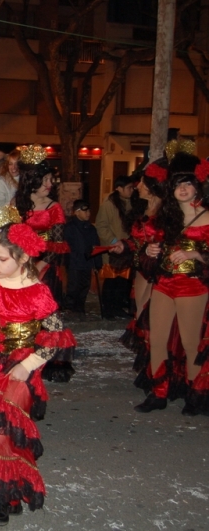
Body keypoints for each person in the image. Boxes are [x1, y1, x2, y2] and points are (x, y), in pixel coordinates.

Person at [0, 206, 76, 525]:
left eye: (2, 259)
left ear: (22, 259)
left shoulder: (38, 292)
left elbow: (57, 333)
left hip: (24, 365)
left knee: (4, 427)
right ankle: (4, 489)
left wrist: (31, 363)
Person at [133, 153, 209, 415]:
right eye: (177, 185)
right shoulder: (165, 219)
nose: (183, 188)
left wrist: (195, 254)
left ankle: (193, 395)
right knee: (157, 339)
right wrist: (152, 250)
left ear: (197, 186)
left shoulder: (208, 217)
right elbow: (149, 250)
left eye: (187, 183)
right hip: (164, 284)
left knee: (190, 343)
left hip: (192, 287)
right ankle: (159, 392)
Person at [15, 145, 72, 383]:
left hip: (46, 266)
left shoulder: (54, 207)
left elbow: (57, 245)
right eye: (45, 179)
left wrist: (39, 267)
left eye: (51, 179)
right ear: (32, 180)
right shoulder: (19, 204)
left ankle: (51, 358)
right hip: (21, 264)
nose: (50, 184)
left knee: (47, 314)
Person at [113, 161, 166, 361]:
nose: (138, 186)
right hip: (141, 269)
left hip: (158, 271)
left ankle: (157, 362)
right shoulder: (141, 209)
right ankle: (150, 360)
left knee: (151, 316)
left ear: (153, 186)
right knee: (141, 314)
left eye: (143, 182)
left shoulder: (167, 213)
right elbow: (137, 241)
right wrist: (125, 245)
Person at [95, 176, 135, 319]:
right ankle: (108, 309)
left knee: (123, 281)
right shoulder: (109, 204)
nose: (132, 190)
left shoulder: (131, 203)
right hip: (113, 249)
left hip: (127, 248)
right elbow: (101, 225)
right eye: (129, 187)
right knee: (111, 280)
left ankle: (118, 307)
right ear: (119, 188)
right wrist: (114, 241)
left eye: (132, 187)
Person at [63, 200, 102, 313]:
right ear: (77, 212)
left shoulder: (91, 228)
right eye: (85, 211)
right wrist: (70, 259)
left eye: (89, 210)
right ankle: (70, 307)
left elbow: (96, 246)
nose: (88, 213)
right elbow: (66, 246)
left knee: (85, 286)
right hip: (74, 262)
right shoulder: (70, 227)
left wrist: (97, 263)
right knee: (73, 286)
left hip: (87, 262)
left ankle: (80, 307)